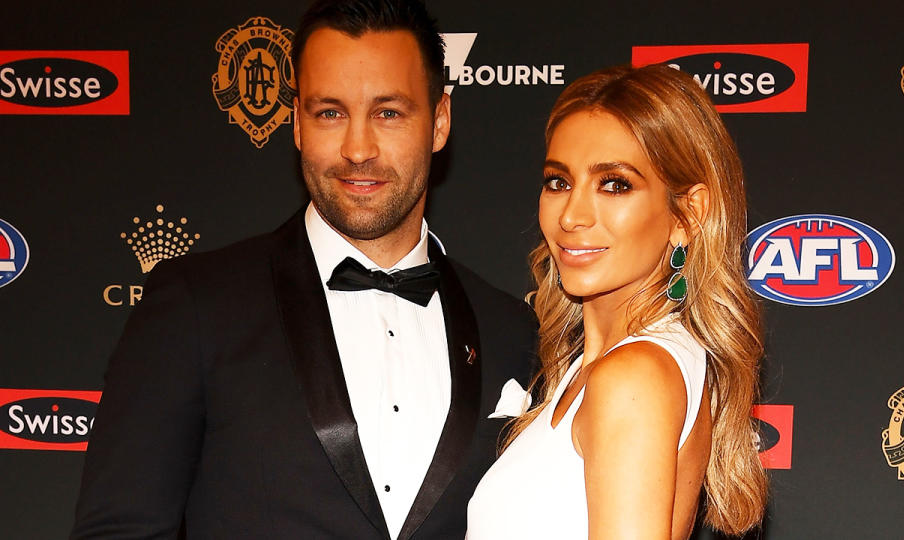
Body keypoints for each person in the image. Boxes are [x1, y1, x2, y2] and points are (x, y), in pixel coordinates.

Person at [70, 1, 537, 539]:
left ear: (439, 122)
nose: (358, 149)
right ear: (296, 122)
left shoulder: (512, 332)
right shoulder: (195, 307)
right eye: (329, 112)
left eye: (388, 112)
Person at [466, 64, 767, 539]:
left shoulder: (633, 376)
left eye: (615, 184)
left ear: (688, 215)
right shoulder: (611, 367)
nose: (572, 215)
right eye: (558, 182)